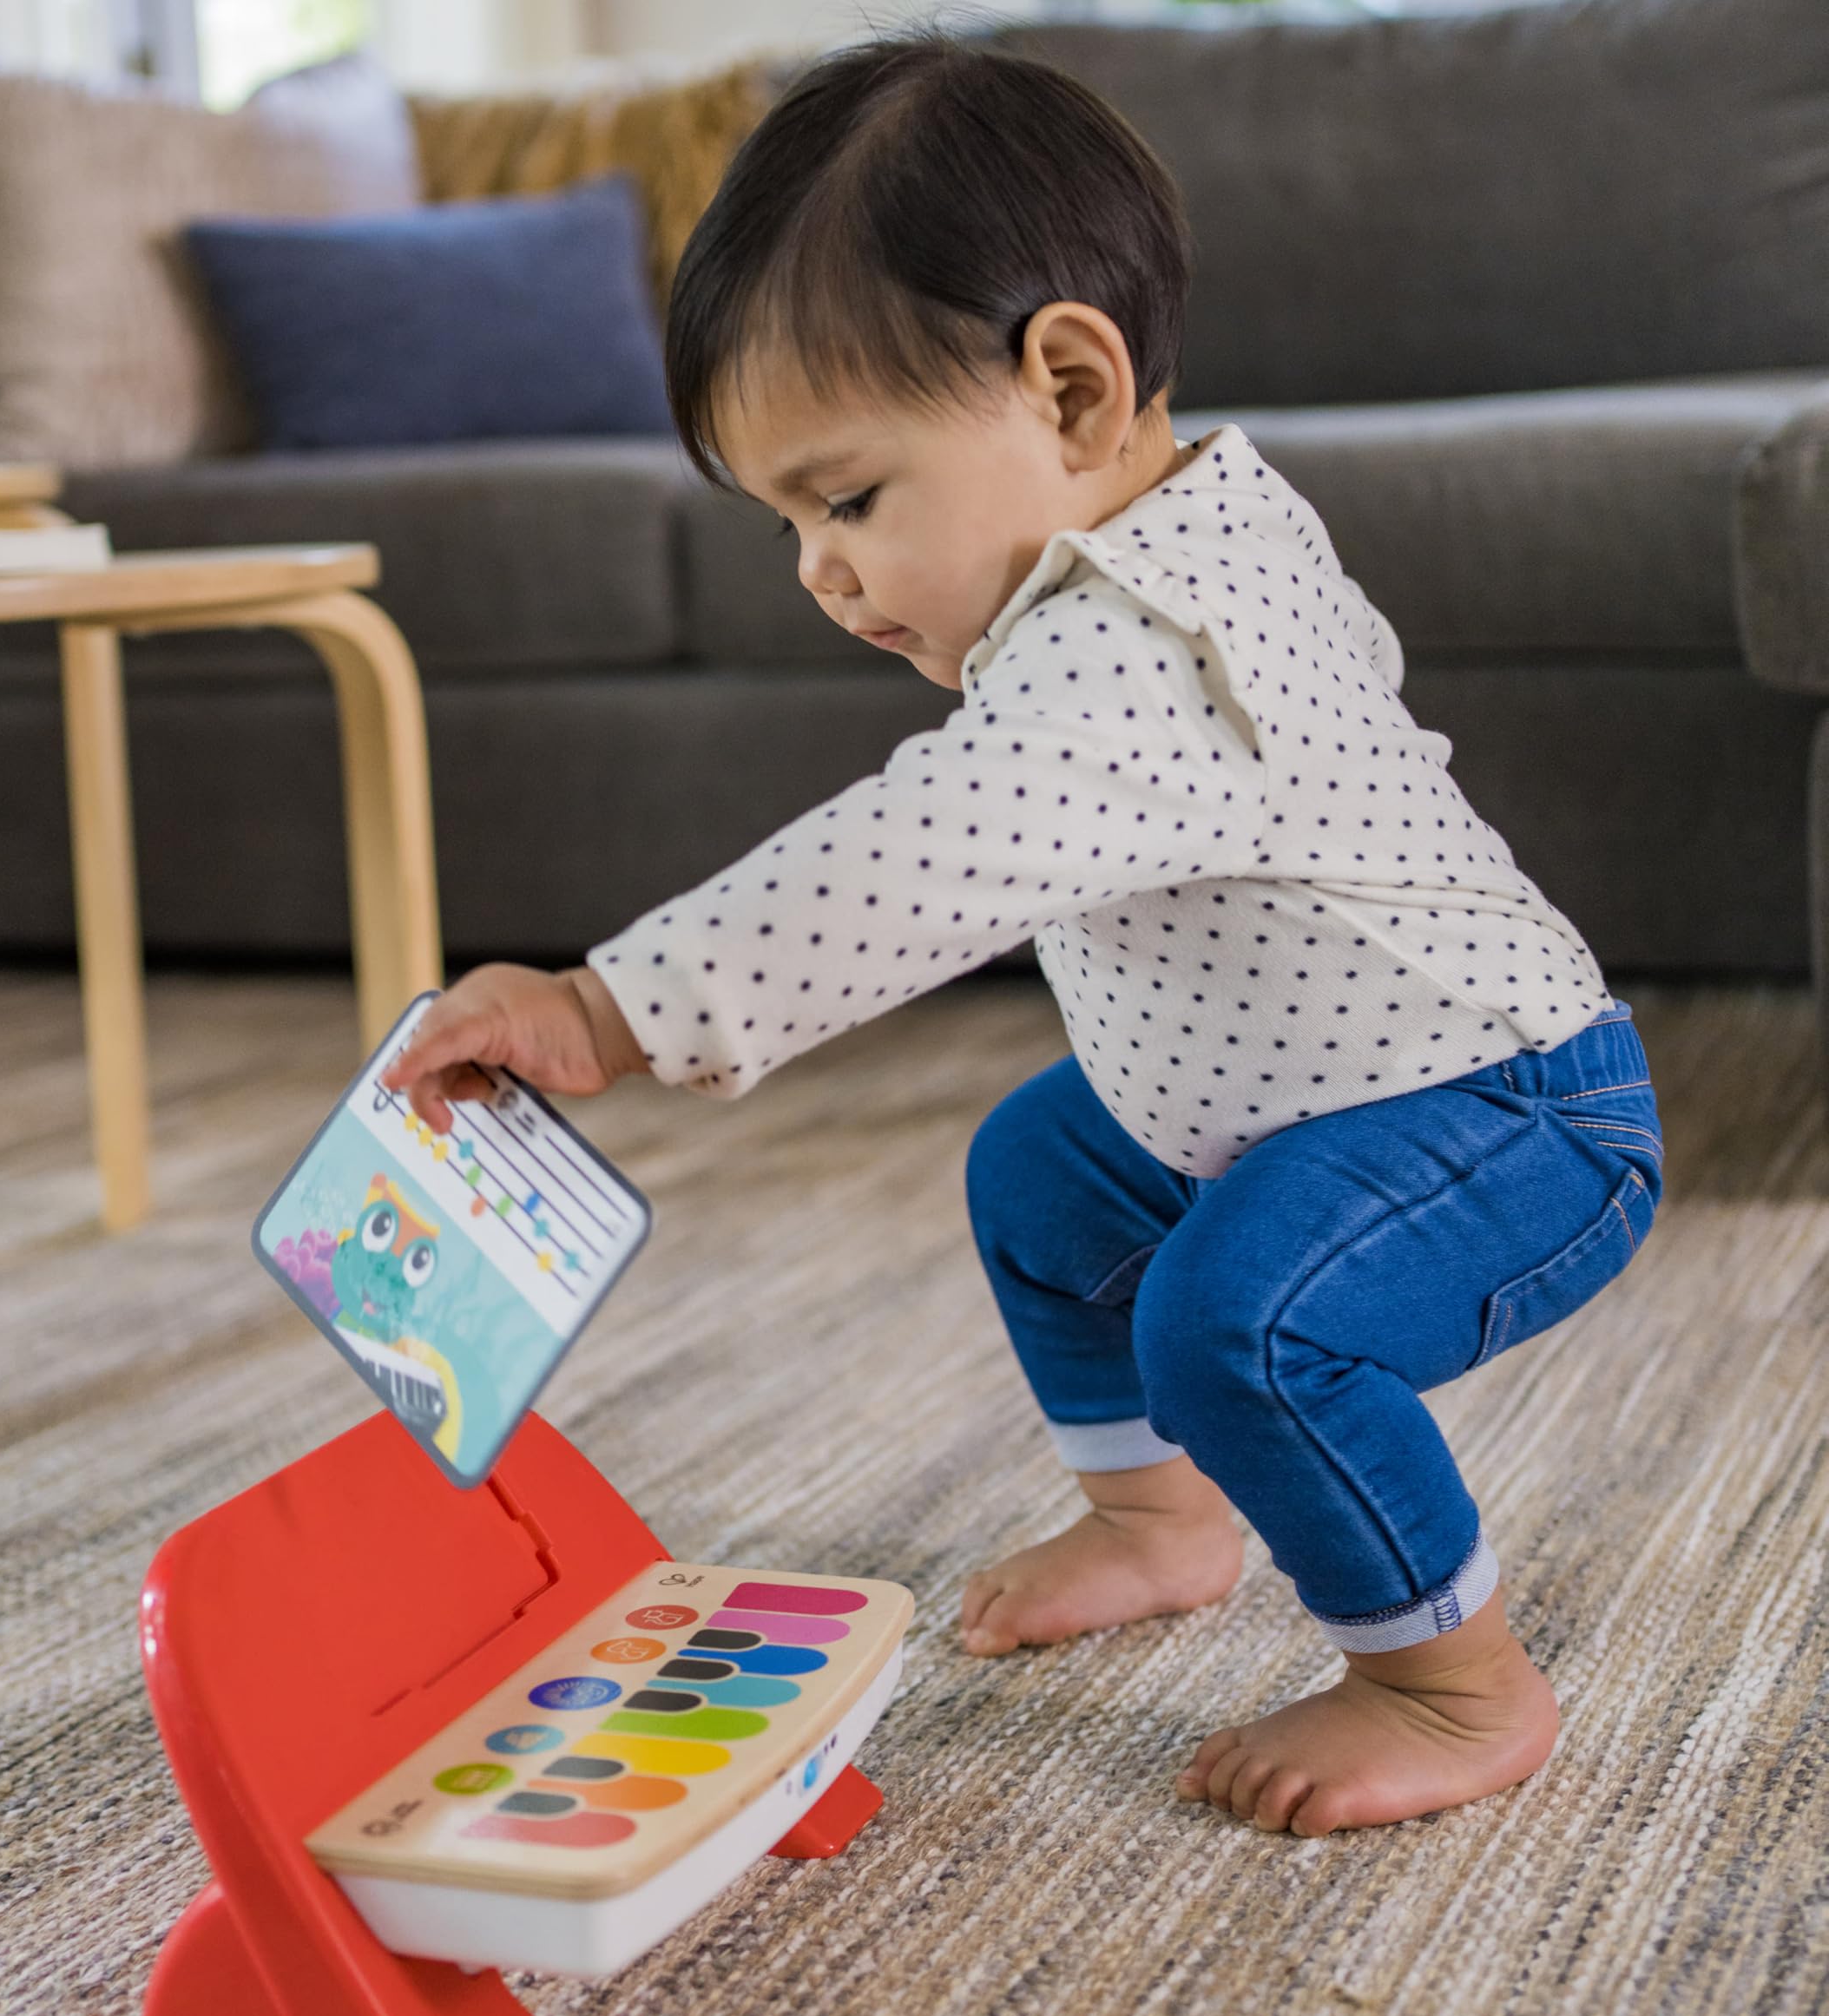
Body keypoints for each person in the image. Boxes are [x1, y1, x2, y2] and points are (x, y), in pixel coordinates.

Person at [383, 36, 1662, 1836]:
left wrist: (605, 1007)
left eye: (847, 500)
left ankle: (1450, 1684)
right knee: (1043, 1172)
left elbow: (901, 866)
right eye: (783, 526)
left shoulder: (1144, 653)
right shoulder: (1170, 526)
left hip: (1506, 1116)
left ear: (1068, 392)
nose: (820, 573)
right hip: (1294, 1094)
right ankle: (1156, 1521)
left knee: (1241, 1321)